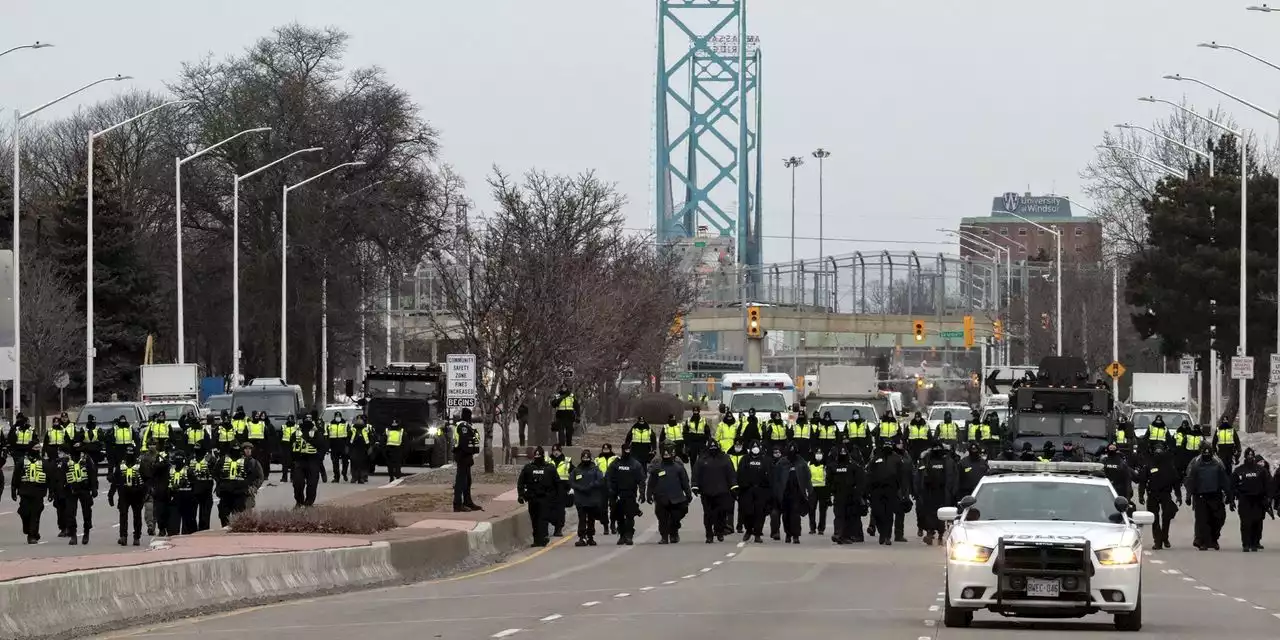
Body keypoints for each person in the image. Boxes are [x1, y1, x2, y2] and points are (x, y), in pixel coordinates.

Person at [1184, 443, 1232, 551]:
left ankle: (1214, 538)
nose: (1206, 455)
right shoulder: (1195, 464)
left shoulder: (1218, 463)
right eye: (1204, 452)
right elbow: (1190, 480)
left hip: (1215, 495)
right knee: (1202, 520)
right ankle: (1203, 541)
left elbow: (1224, 479)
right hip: (1201, 496)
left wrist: (1229, 494)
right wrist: (1188, 495)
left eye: (1208, 453)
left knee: (1219, 518)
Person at [1137, 440, 1181, 549]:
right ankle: (1157, 541)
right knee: (1154, 518)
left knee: (1167, 516)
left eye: (1160, 450)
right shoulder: (1149, 464)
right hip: (1152, 494)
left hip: (1166, 494)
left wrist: (1178, 495)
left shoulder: (1169, 464)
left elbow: (1176, 481)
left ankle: (1164, 537)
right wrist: (1141, 495)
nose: (1158, 452)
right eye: (1156, 450)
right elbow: (1143, 480)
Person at [692, 438, 736, 544]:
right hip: (706, 492)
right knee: (708, 514)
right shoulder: (702, 459)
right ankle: (709, 534)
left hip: (722, 491)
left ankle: (719, 531)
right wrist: (695, 486)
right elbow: (696, 473)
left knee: (721, 513)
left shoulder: (725, 458)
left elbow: (731, 473)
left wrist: (734, 486)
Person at [647, 445, 692, 544]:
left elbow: (685, 482)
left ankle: (674, 532)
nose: (666, 455)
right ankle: (664, 537)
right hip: (661, 498)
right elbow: (651, 483)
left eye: (668, 453)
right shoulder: (657, 468)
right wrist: (648, 495)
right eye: (664, 453)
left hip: (676, 498)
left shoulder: (678, 468)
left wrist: (688, 494)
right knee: (662, 519)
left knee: (676, 517)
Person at [866, 442, 909, 545]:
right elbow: (869, 473)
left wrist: (903, 491)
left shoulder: (897, 459)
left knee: (888, 514)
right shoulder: (876, 458)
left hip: (891, 490)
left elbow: (902, 475)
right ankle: (882, 532)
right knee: (878, 513)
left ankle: (887, 536)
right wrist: (868, 490)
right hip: (877, 490)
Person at [517, 446, 560, 547]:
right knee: (534, 519)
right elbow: (521, 482)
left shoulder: (549, 468)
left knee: (543, 518)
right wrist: (521, 495)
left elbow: (557, 483)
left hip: (545, 497)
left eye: (539, 456)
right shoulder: (528, 468)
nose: (537, 457)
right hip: (532, 498)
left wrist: (555, 497)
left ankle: (544, 537)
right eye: (535, 456)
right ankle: (536, 540)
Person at [915, 439, 957, 545]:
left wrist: (952, 492)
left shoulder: (948, 460)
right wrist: (918, 490)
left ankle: (940, 535)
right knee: (929, 514)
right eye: (935, 448)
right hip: (929, 491)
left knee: (941, 515)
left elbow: (954, 476)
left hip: (943, 492)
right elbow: (918, 475)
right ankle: (929, 532)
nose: (937, 450)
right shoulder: (926, 460)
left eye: (939, 448)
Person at [771, 441, 812, 544]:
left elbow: (807, 477)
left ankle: (796, 535)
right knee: (786, 515)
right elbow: (776, 479)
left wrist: (809, 490)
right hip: (784, 493)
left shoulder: (801, 462)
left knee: (795, 516)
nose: (792, 451)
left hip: (797, 493)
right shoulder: (782, 462)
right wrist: (776, 492)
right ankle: (788, 534)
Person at [605, 443, 646, 545]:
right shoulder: (616, 463)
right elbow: (608, 477)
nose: (627, 451)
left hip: (630, 494)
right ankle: (622, 535)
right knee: (619, 516)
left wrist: (642, 493)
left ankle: (628, 535)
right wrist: (610, 490)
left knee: (629, 516)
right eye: (625, 450)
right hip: (617, 494)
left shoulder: (635, 464)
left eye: (628, 449)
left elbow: (641, 479)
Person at [14, 444, 55, 544]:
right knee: (24, 512)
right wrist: (13, 491)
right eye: (35, 448)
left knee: (35, 514)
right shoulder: (22, 462)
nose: (37, 450)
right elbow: (16, 477)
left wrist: (51, 492)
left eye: (38, 448)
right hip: (25, 492)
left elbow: (50, 479)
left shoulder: (44, 463)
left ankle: (32, 535)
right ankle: (29, 529)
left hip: (38, 492)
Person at [1232, 448, 1271, 552]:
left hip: (1258, 500)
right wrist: (1231, 499)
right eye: (1248, 455)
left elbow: (1267, 484)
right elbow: (1233, 485)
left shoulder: (1261, 470)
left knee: (1257, 521)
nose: (1250, 457)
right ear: (1245, 457)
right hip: (1244, 499)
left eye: (1251, 455)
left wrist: (1268, 498)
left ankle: (1254, 542)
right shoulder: (1239, 470)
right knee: (1245, 523)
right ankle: (1246, 543)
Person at [108, 444, 148, 545]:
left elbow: (147, 480)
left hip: (137, 494)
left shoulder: (140, 465)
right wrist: (111, 494)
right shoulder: (121, 465)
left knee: (137, 516)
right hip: (124, 494)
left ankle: (137, 537)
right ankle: (123, 536)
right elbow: (115, 481)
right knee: (123, 515)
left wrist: (145, 493)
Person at [60, 442, 98, 545]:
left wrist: (94, 488)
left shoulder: (86, 459)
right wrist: (61, 491)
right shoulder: (67, 460)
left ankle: (86, 532)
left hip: (84, 489)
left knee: (87, 512)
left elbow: (92, 473)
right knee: (70, 513)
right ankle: (73, 535)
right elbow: (62, 476)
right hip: (71, 489)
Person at [827, 443, 865, 544]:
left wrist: (858, 494)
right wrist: (829, 494)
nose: (843, 454)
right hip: (838, 495)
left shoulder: (853, 466)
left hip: (850, 495)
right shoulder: (833, 466)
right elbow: (828, 481)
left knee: (849, 516)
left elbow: (860, 480)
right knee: (839, 515)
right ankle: (838, 534)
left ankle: (847, 536)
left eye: (844, 452)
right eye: (841, 452)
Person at [735, 441, 771, 543]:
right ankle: (749, 530)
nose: (755, 448)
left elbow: (770, 476)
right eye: (753, 447)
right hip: (747, 490)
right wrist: (741, 488)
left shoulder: (765, 460)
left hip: (761, 490)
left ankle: (757, 534)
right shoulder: (745, 459)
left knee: (760, 513)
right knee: (747, 512)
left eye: (757, 446)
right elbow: (740, 474)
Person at [569, 448, 605, 546]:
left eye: (587, 458)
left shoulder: (595, 469)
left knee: (591, 519)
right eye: (583, 458)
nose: (585, 460)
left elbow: (600, 480)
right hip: (580, 499)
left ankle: (590, 537)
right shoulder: (576, 470)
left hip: (592, 499)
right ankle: (582, 537)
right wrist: (580, 487)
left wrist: (591, 486)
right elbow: (571, 481)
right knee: (582, 518)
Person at [291, 415, 327, 507]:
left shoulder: (316, 433)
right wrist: (292, 460)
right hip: (300, 460)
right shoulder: (297, 433)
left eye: (310, 420)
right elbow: (290, 447)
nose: (308, 422)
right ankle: (299, 501)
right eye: (306, 420)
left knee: (312, 484)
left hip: (313, 460)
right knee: (298, 483)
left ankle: (308, 503)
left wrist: (319, 458)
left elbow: (322, 446)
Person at [453, 408, 482, 512]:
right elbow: (464, 442)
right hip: (463, 456)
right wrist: (471, 451)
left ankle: (468, 502)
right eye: (470, 415)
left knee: (467, 481)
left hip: (467, 456)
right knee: (461, 481)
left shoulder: (467, 425)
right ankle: (457, 504)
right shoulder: (463, 426)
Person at [167, 450, 199, 535]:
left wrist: (193, 497)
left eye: (180, 458)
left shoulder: (188, 471)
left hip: (187, 497)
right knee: (173, 523)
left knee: (188, 524)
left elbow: (195, 484)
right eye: (177, 458)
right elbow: (167, 483)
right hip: (174, 497)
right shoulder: (171, 470)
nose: (178, 460)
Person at [189, 441, 218, 531]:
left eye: (198, 446)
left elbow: (216, 472)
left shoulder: (210, 459)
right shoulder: (191, 458)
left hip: (206, 489)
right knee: (191, 515)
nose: (196, 449)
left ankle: (203, 531)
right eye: (195, 447)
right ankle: (192, 531)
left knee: (205, 515)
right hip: (193, 489)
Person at [545, 444, 571, 536]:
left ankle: (558, 529)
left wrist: (570, 486)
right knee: (548, 509)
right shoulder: (547, 460)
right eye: (554, 451)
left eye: (558, 451)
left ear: (561, 451)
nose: (556, 453)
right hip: (550, 488)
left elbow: (573, 473)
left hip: (561, 488)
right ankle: (548, 526)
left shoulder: (567, 461)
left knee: (560, 510)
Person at [594, 443, 617, 534]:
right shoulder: (597, 459)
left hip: (612, 485)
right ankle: (605, 526)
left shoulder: (615, 459)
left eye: (607, 449)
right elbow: (594, 472)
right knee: (602, 508)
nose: (606, 450)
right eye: (604, 449)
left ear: (610, 449)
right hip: (602, 486)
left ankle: (613, 524)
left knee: (613, 506)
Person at [808, 447, 830, 536]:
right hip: (812, 489)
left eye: (820, 454)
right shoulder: (809, 464)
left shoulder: (826, 465)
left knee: (823, 510)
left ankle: (821, 528)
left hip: (823, 489)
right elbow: (806, 477)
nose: (818, 455)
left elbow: (829, 478)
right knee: (811, 509)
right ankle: (812, 528)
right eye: (817, 453)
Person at [326, 412, 351, 483]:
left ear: (341, 416)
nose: (337, 417)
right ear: (334, 417)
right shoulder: (330, 425)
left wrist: (348, 445)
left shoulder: (345, 424)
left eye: (339, 416)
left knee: (345, 461)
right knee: (335, 463)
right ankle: (336, 477)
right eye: (336, 416)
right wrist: (328, 447)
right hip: (334, 446)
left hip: (343, 446)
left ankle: (344, 473)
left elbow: (349, 436)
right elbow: (328, 437)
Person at [349, 415, 374, 484]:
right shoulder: (352, 428)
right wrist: (347, 447)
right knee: (354, 462)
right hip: (354, 447)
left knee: (363, 463)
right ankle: (354, 477)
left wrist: (370, 447)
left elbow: (371, 438)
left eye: (361, 420)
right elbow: (348, 438)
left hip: (364, 448)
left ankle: (362, 477)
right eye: (358, 419)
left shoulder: (366, 429)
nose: (359, 421)